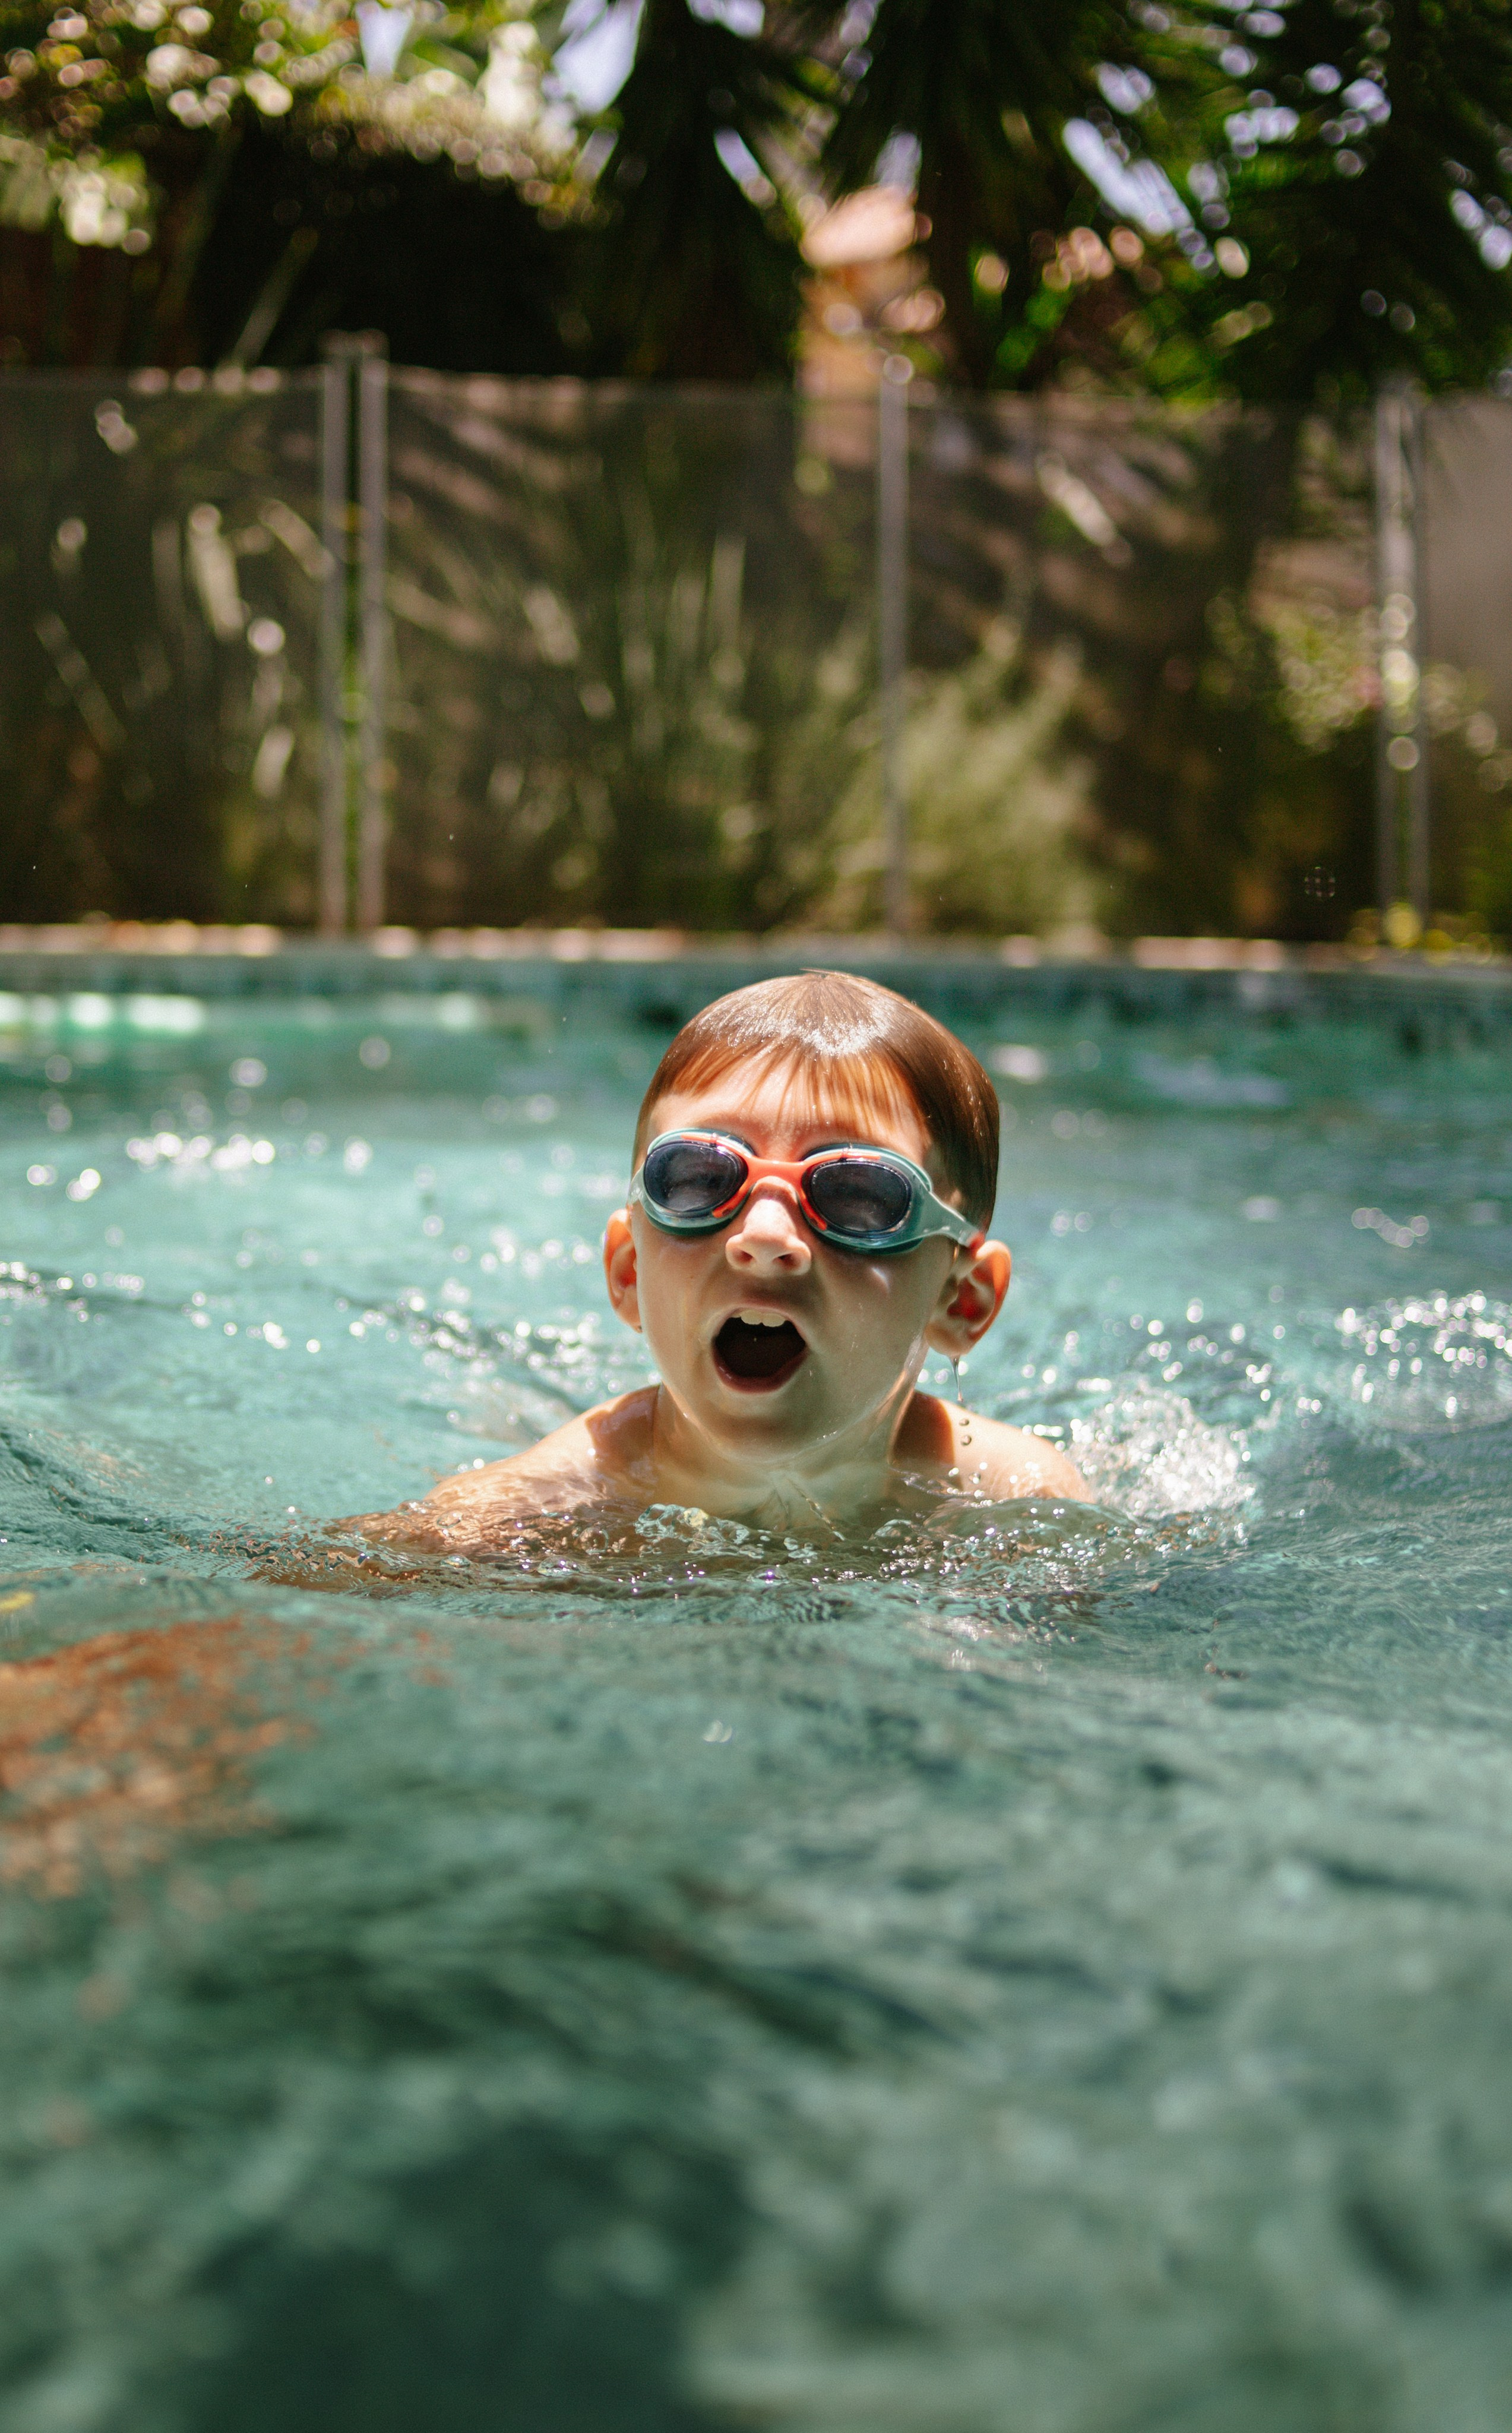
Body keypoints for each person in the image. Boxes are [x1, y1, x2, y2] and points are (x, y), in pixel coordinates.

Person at [355, 970, 1088, 1551]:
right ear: (629, 1273)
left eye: (858, 1194)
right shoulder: (532, 1508)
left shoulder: (1021, 1499)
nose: (764, 1233)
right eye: (700, 1180)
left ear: (962, 1301)